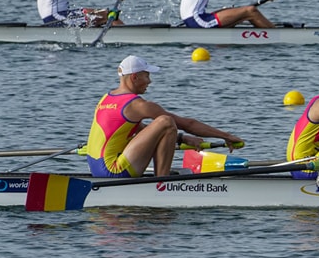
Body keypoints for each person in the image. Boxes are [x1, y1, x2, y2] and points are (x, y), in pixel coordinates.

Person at [87, 55, 244, 178]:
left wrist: (181, 138)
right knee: (166, 121)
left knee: (165, 126)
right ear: (134, 77)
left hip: (97, 170)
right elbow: (187, 123)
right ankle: (162, 183)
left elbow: (143, 132)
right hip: (114, 171)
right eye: (147, 76)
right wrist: (226, 136)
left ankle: (161, 180)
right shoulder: (137, 105)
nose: (150, 81)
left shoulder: (105, 99)